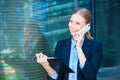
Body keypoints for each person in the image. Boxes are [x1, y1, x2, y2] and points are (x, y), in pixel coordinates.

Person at [36, 8, 102, 80]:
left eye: (77, 23)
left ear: (87, 27)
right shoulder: (60, 45)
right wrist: (46, 65)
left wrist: (79, 48)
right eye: (71, 21)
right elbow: (58, 77)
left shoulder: (95, 46)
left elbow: (91, 76)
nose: (72, 26)